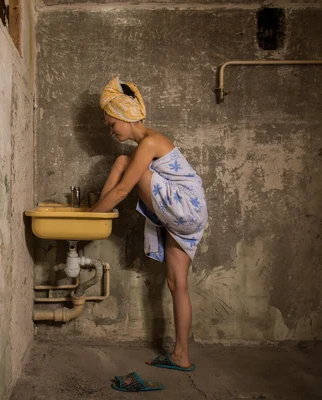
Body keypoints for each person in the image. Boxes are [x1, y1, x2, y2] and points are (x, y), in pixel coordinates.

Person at [90, 76, 208, 371]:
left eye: (111, 124)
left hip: (184, 205)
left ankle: (94, 214)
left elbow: (121, 190)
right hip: (191, 214)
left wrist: (88, 218)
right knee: (176, 283)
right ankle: (181, 355)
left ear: (124, 117)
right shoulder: (148, 142)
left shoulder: (151, 142)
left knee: (122, 165)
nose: (110, 130)